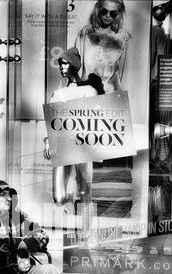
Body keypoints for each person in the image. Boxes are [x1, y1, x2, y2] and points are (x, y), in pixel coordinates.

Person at [44, 47, 104, 210]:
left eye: (65, 64)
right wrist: (48, 143)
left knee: (84, 189)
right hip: (62, 144)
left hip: (82, 145)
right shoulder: (58, 93)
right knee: (59, 195)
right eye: (60, 64)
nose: (62, 68)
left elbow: (95, 122)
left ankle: (85, 225)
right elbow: (51, 122)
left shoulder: (89, 91)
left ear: (74, 65)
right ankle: (68, 212)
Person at [74, 0, 131, 94]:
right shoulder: (85, 34)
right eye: (104, 11)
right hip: (87, 91)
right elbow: (76, 66)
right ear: (98, 10)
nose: (107, 16)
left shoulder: (122, 37)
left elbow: (123, 72)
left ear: (118, 14)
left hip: (111, 92)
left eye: (113, 13)